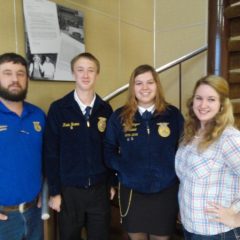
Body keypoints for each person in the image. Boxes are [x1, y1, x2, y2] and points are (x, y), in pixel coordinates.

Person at [104, 64, 184, 240]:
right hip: (132, 192)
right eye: (139, 83)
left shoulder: (172, 115)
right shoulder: (119, 116)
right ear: (132, 87)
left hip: (165, 190)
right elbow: (108, 150)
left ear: (157, 85)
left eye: (150, 82)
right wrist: (124, 168)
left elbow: (184, 149)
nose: (145, 87)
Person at [44, 52, 115, 240]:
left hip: (99, 191)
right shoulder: (59, 109)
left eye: (90, 70)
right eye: (80, 70)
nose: (85, 75)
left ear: (97, 74)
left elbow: (111, 149)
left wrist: (111, 183)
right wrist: (54, 191)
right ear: (73, 74)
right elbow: (51, 153)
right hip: (69, 192)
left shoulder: (106, 109)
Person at [175, 75, 240, 239]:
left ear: (221, 106)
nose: (203, 105)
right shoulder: (191, 134)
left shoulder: (229, 138)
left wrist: (236, 217)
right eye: (199, 98)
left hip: (216, 231)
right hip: (190, 226)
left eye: (211, 99)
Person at [0, 52, 45, 239]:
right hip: (4, 219)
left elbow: (46, 158)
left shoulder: (39, 115)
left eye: (20, 73)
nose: (15, 79)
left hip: (34, 212)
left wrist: (45, 191)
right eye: (7, 73)